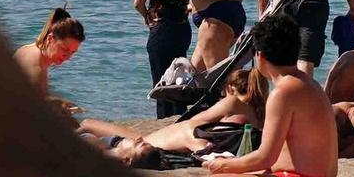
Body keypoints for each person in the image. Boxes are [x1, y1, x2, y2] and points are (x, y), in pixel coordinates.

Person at [189, 15, 341, 177]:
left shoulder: (283, 92)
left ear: (259, 55)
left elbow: (266, 157)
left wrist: (224, 164)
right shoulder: (308, 84)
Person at [78, 69, 265, 161]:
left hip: (145, 142)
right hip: (155, 144)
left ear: (231, 88)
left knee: (87, 124)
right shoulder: (261, 114)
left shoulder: (233, 101)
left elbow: (196, 122)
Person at [133, 0, 192, 116]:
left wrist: (147, 17)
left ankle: (164, 119)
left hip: (162, 28)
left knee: (161, 80)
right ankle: (180, 116)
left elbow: (138, 2)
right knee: (179, 77)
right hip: (182, 28)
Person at [13, 7, 84, 98]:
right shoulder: (36, 65)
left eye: (73, 52)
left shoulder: (33, 51)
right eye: (64, 49)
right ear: (50, 38)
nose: (68, 57)